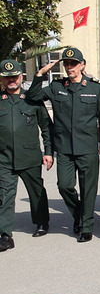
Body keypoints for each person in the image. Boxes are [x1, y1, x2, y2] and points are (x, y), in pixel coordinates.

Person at [26, 48, 100, 243]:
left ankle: (85, 226)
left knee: (88, 189)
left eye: (73, 64)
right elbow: (33, 97)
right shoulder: (56, 87)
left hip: (87, 146)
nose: (69, 67)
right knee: (64, 186)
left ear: (82, 65)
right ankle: (79, 212)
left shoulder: (95, 89)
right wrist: (40, 75)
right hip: (63, 147)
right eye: (67, 64)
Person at [0, 59, 53, 251]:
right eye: (7, 78)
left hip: (29, 155)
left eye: (14, 76)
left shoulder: (32, 99)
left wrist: (48, 152)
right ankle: (5, 234)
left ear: (21, 77)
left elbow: (46, 128)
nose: (11, 81)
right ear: (2, 80)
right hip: (4, 158)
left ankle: (41, 222)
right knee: (4, 195)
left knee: (36, 192)